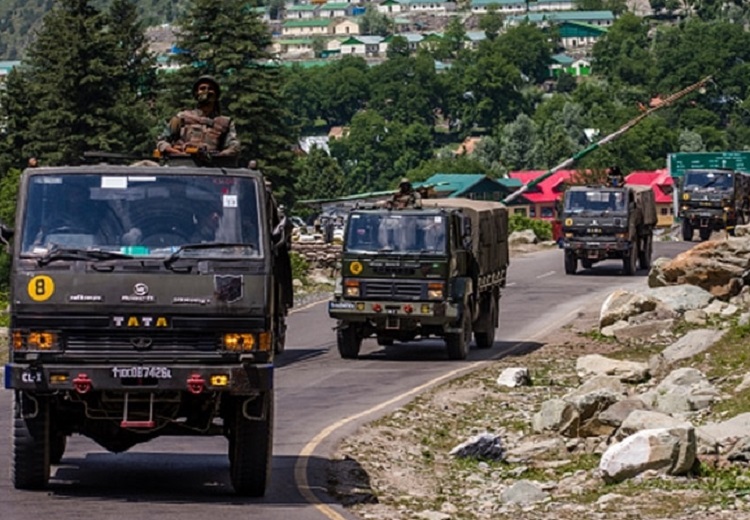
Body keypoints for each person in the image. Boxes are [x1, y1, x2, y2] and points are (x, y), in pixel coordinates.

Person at [156, 75, 241, 160]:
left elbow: (234, 146)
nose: (206, 91)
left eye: (210, 88)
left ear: (216, 94)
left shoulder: (225, 122)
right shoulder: (181, 117)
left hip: (213, 167)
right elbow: (162, 141)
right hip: (182, 164)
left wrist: (216, 156)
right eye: (202, 88)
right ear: (196, 93)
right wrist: (176, 151)